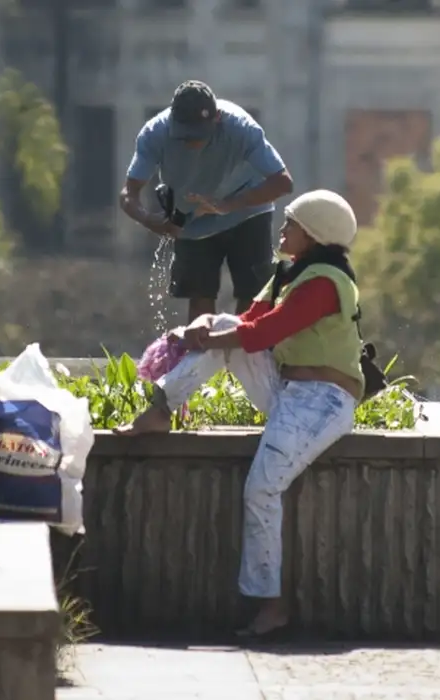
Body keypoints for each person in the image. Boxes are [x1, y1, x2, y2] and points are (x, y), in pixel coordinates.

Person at [117, 189, 365, 640]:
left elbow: (270, 331)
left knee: (262, 490)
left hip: (323, 401)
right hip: (289, 390)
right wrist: (203, 326)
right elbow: (249, 319)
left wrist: (206, 340)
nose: (283, 230)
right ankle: (161, 407)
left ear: (314, 234)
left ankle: (271, 606)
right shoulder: (290, 273)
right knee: (225, 324)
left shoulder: (326, 282)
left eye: (291, 224)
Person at [119, 80, 294, 323]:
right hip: (192, 219)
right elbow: (128, 194)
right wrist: (151, 221)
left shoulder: (241, 128)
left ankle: (243, 357)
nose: (194, 143)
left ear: (217, 118)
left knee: (252, 295)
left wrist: (227, 205)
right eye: (185, 136)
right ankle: (201, 358)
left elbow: (283, 183)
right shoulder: (155, 134)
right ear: (172, 121)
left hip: (247, 209)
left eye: (200, 134)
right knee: (199, 296)